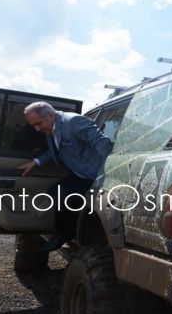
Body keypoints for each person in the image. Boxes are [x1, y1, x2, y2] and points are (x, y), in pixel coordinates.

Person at [17, 102, 112, 252]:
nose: (37, 129)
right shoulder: (52, 127)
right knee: (54, 191)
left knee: (63, 195)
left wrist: (107, 174)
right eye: (33, 125)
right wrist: (36, 162)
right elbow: (56, 149)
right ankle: (65, 233)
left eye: (38, 123)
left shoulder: (73, 122)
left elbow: (103, 145)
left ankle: (64, 235)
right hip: (79, 174)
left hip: (95, 176)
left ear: (50, 115)